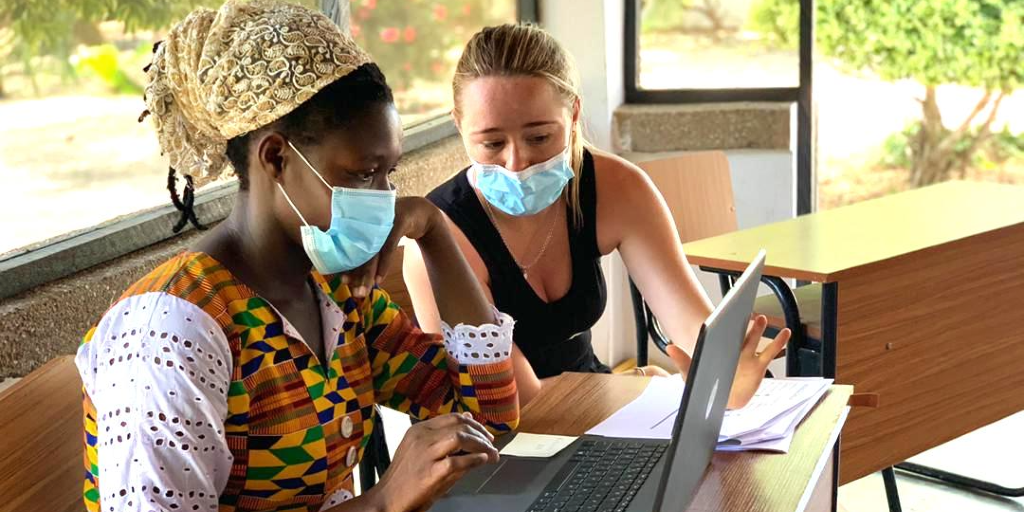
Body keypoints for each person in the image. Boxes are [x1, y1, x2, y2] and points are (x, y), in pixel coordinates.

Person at [74, 2, 518, 512]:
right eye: (362, 174)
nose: (384, 197)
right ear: (276, 158)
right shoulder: (172, 332)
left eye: (388, 173)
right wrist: (382, 501)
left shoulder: (334, 290)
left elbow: (487, 420)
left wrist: (434, 229)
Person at [404, 23, 789, 407]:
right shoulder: (440, 239)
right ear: (459, 124)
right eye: (491, 143)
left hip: (596, 408)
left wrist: (726, 369)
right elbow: (508, 401)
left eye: (539, 137)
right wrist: (637, 384)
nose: (517, 163)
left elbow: (691, 326)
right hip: (498, 441)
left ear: (573, 114)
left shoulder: (615, 187)